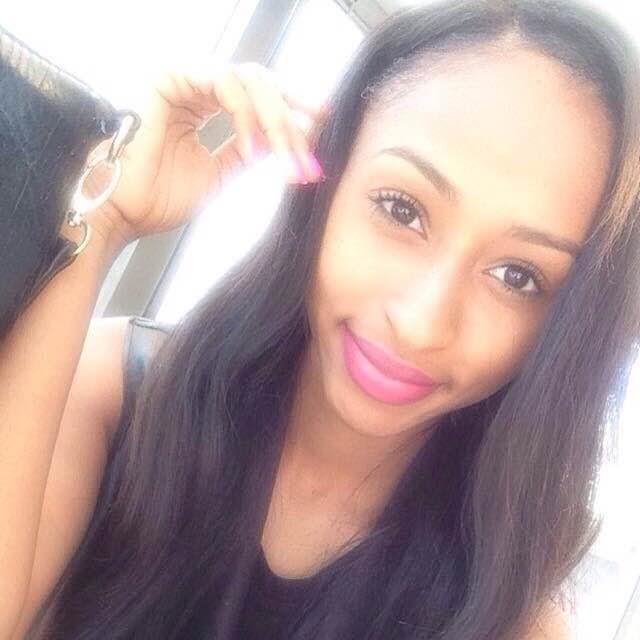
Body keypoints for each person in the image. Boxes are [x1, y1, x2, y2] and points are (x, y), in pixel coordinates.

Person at [2, 0, 639, 637]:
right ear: (330, 175)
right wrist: (105, 220)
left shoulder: (511, 623)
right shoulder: (118, 392)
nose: (421, 323)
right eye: (401, 208)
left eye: (517, 276)